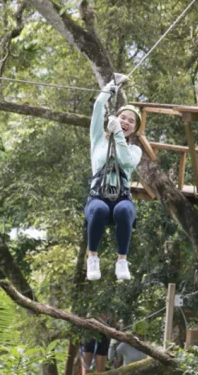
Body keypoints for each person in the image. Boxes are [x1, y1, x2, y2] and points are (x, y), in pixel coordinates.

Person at [85, 75, 142, 281]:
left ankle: (122, 261)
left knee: (125, 210)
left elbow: (125, 162)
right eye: (123, 118)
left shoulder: (135, 150)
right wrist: (112, 86)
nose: (126, 122)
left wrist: (118, 132)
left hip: (121, 197)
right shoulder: (98, 139)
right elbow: (99, 106)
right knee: (99, 209)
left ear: (134, 128)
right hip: (97, 197)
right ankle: (92, 258)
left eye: (131, 121)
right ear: (116, 117)